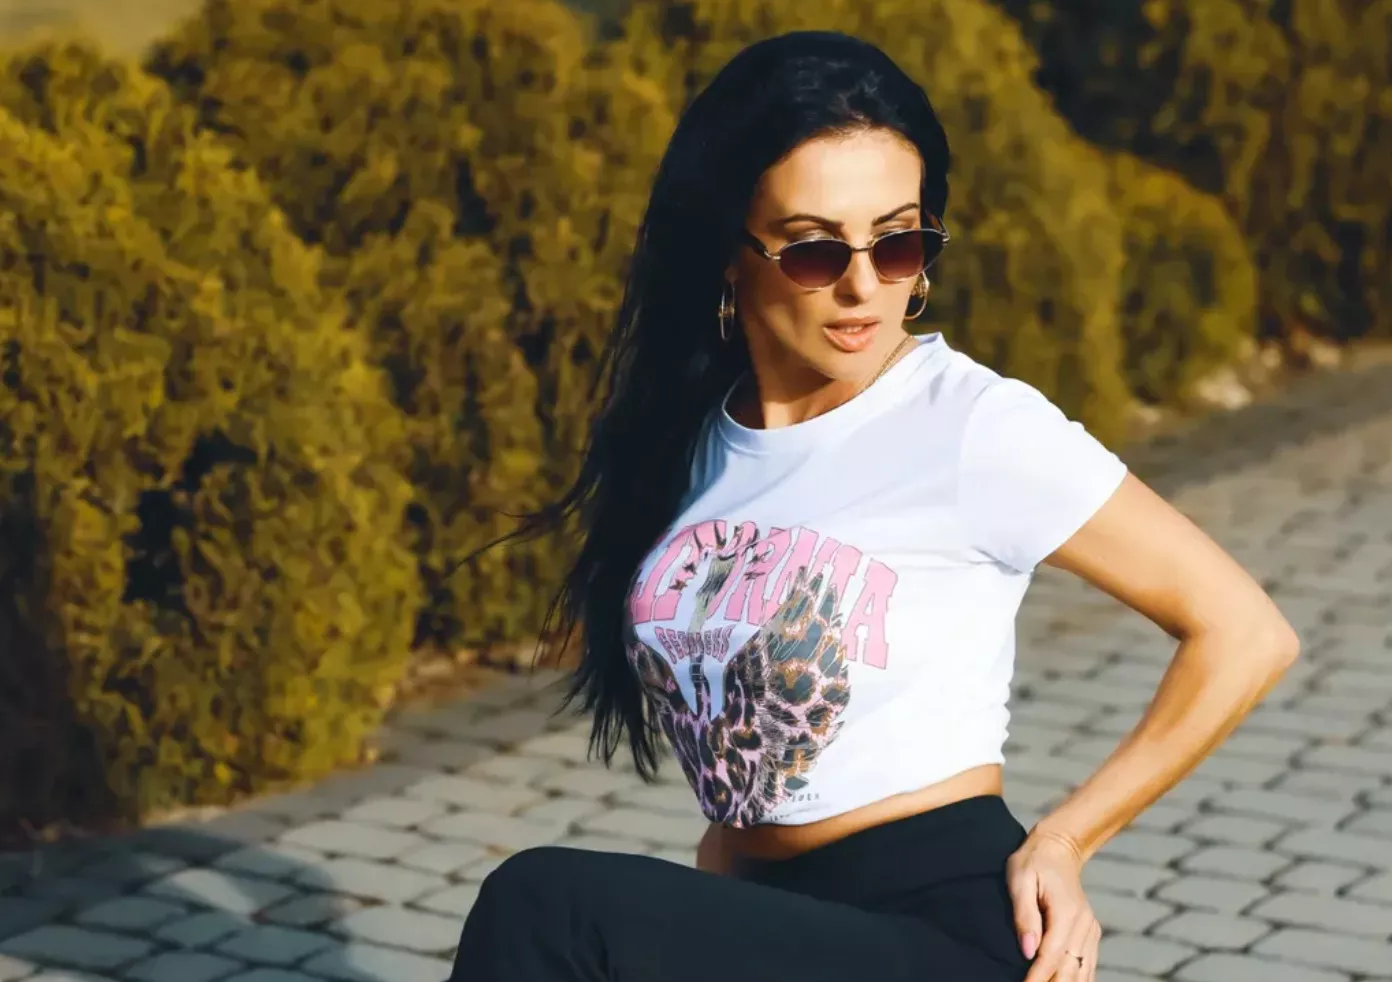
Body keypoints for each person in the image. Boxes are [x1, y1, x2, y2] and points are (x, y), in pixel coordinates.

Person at [450, 29, 1300, 982]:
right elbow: (746, 773)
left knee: (545, 903)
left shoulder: (973, 425)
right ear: (728, 250)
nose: (863, 286)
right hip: (781, 923)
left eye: (898, 243)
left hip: (943, 935)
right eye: (815, 251)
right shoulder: (693, 442)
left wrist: (1067, 839)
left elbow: (1244, 633)